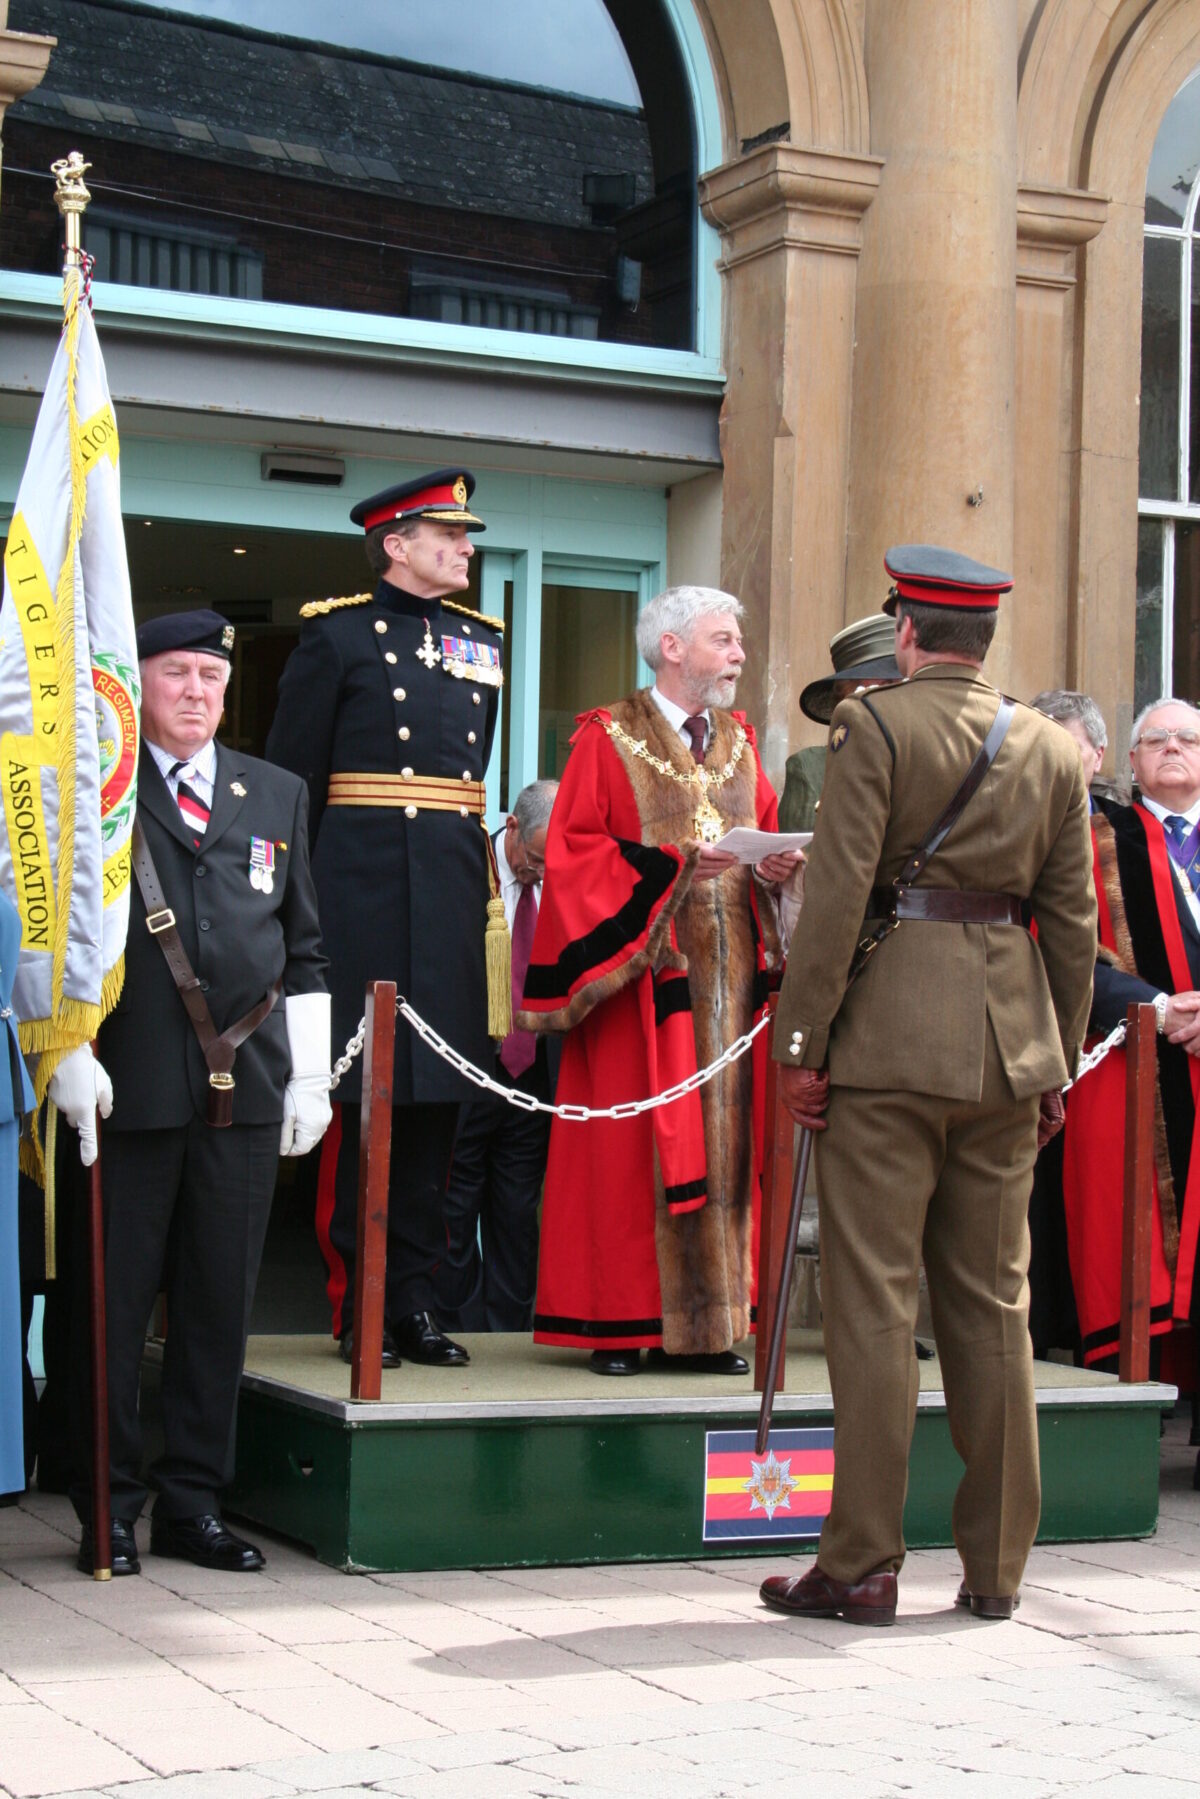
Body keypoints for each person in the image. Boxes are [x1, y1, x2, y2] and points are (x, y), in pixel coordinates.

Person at [760, 544, 1096, 1626]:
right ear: (984, 640)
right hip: (1009, 1047)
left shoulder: (875, 723)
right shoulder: (1050, 744)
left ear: (906, 633)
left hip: (890, 1045)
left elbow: (844, 888)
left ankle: (862, 1562)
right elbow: (1074, 924)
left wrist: (802, 1043)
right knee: (996, 1307)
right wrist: (1056, 1061)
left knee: (873, 1301)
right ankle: (997, 1568)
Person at [69, 608, 330, 1576]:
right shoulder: (98, 789)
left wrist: (308, 1074)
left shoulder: (275, 791)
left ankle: (193, 1503)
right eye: (176, 672)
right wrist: (68, 1046)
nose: (194, 691)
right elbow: (56, 929)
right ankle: (108, 1504)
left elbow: (304, 944)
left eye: (210, 677)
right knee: (110, 1306)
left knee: (219, 1308)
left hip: (244, 1091)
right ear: (138, 685)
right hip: (121, 1085)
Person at [517, 585, 801, 1375]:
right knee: (629, 1157)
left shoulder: (741, 741)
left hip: (732, 991)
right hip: (641, 988)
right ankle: (622, 1325)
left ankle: (711, 1326)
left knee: (727, 1154)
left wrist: (776, 867)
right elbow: (572, 858)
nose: (740, 653)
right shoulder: (608, 738)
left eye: (738, 639)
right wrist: (672, 870)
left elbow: (767, 839)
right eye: (724, 639)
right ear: (672, 647)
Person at [266, 470, 501, 1370]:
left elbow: (465, 781)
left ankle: (413, 1302)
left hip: (444, 898)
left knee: (437, 1114)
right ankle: (353, 1302)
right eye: (450, 535)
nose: (467, 549)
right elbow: (293, 790)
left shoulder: (481, 643)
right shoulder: (335, 637)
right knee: (363, 1109)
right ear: (397, 544)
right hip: (357, 893)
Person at [1059, 699, 1200, 1407]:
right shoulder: (1092, 835)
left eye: (1188, 738)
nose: (1173, 748)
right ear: (1132, 760)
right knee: (1131, 1241)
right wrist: (1162, 1008)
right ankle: (1129, 1405)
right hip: (1132, 1055)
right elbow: (1058, 946)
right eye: (1156, 740)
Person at [434, 779, 559, 1333]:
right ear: (511, 829)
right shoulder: (464, 870)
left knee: (515, 1210)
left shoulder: (560, 881)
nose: (540, 873)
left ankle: (509, 1329)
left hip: (532, 1073)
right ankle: (456, 1325)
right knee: (454, 1205)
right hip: (468, 1065)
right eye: (534, 858)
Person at [780, 613, 902, 834]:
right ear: (852, 693)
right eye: (887, 683)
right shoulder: (812, 768)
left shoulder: (926, 758)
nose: (900, 695)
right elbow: (802, 860)